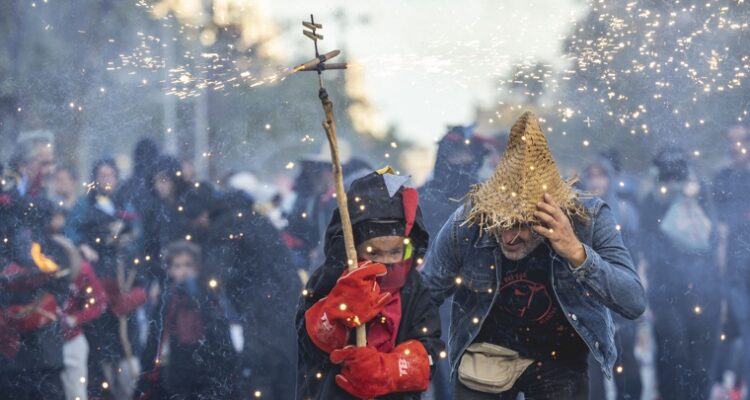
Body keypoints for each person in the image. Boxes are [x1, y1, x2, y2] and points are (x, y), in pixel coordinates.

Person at [420, 112, 646, 400]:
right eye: (500, 223)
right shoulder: (470, 219)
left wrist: (576, 252)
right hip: (488, 354)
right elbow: (426, 292)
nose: (508, 236)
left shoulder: (587, 217)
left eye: (521, 225)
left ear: (548, 215)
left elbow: (634, 301)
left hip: (559, 357)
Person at [297, 169, 444, 400]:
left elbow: (431, 351)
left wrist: (385, 369)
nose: (386, 263)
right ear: (354, 248)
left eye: (396, 251)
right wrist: (338, 309)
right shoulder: (329, 279)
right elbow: (309, 345)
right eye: (374, 252)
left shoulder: (413, 287)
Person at [183, 185, 301, 398]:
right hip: (289, 305)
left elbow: (215, 277)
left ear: (204, 214)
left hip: (261, 310)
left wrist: (194, 287)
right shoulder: (256, 219)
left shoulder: (225, 228)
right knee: (288, 374)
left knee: (259, 375)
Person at [640, 146, 720, 400]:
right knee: (673, 352)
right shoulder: (653, 200)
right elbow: (648, 245)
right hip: (670, 290)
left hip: (699, 287)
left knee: (697, 355)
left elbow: (713, 238)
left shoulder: (699, 195)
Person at [418, 124, 490, 400]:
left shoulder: (486, 197)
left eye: (467, 155)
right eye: (456, 154)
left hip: (478, 297)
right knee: (439, 370)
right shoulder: (423, 197)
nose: (462, 161)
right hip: (434, 294)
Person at [65, 158, 146, 400]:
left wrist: (126, 241)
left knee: (126, 346)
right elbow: (72, 230)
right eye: (102, 175)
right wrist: (83, 246)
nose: (106, 180)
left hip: (123, 281)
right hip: (98, 281)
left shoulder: (125, 203)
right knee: (100, 352)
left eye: (110, 175)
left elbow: (137, 234)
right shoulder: (84, 204)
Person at [0, 132, 72, 400]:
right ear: (23, 164)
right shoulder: (6, 197)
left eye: (52, 162)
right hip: (9, 316)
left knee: (49, 384)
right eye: (43, 163)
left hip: (42, 315)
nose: (50, 170)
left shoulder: (42, 201)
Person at [137, 240, 235, 399]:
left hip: (205, 358)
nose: (183, 271)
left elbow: (219, 330)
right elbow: (156, 337)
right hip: (175, 362)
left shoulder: (207, 295)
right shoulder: (166, 297)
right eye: (177, 266)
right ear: (169, 270)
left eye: (188, 265)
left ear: (196, 267)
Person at [712, 125, 750, 398]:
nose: (734, 147)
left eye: (741, 141)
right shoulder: (723, 178)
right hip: (735, 270)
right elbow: (720, 231)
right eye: (731, 141)